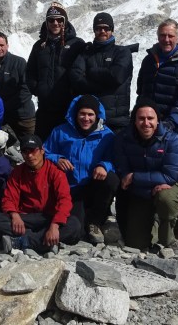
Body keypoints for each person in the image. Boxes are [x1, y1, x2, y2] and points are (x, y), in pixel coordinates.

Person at [136, 18, 178, 246]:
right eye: (163, 35)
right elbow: (141, 92)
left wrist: (170, 124)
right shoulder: (149, 61)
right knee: (154, 177)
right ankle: (156, 232)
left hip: (177, 131)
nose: (166, 39)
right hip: (148, 129)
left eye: (170, 35)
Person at [114, 98, 178, 253]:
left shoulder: (172, 139)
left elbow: (170, 175)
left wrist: (135, 178)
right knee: (135, 244)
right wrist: (146, 187)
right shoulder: (124, 138)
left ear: (158, 120)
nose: (146, 123)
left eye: (150, 118)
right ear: (134, 121)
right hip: (141, 191)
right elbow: (123, 170)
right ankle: (153, 224)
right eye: (141, 118)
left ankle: (168, 236)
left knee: (165, 198)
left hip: (170, 185)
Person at [43, 95, 119, 244]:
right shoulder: (61, 132)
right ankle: (84, 222)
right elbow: (44, 153)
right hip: (69, 188)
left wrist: (104, 166)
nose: (86, 118)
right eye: (82, 114)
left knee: (111, 179)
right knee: (77, 230)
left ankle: (95, 221)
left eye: (90, 114)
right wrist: (57, 159)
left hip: (93, 185)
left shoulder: (107, 135)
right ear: (75, 114)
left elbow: (115, 159)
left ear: (97, 116)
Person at [0, 135, 81, 254]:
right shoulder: (17, 172)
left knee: (74, 224)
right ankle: (43, 242)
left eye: (33, 151)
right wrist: (14, 214)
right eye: (25, 152)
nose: (30, 155)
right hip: (26, 217)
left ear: (42, 151)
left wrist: (55, 225)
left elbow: (64, 200)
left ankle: (23, 242)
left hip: (49, 217)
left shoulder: (55, 172)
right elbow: (9, 198)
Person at [26, 2, 85, 140]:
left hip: (68, 108)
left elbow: (82, 72)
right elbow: (29, 72)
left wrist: (73, 92)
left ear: (65, 21)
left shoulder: (76, 44)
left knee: (66, 145)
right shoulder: (39, 46)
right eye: (51, 20)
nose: (55, 23)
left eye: (59, 20)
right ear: (47, 22)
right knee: (43, 146)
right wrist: (37, 89)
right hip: (44, 108)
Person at [70, 12, 134, 132]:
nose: (102, 31)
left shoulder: (122, 52)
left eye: (106, 28)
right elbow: (75, 78)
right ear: (94, 30)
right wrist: (104, 84)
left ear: (112, 30)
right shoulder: (86, 53)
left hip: (117, 122)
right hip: (90, 121)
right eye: (98, 28)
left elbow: (117, 76)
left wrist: (90, 72)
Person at [0, 32, 36, 138]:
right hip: (1, 116)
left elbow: (26, 89)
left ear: (7, 46)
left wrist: (5, 106)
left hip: (23, 115)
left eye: (2, 45)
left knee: (31, 148)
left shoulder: (19, 62)